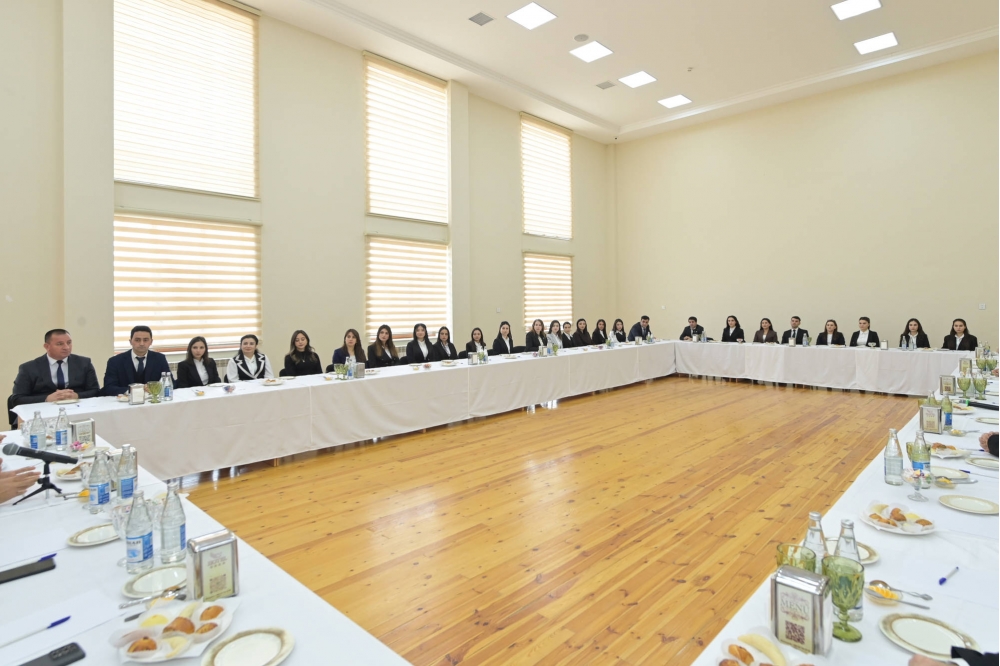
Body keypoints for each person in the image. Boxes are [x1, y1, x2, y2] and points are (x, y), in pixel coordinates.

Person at [11, 329, 101, 413]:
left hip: (77, 410)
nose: (66, 347)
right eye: (60, 344)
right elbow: (17, 399)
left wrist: (76, 396)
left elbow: (95, 391)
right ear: (47, 346)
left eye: (69, 343)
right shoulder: (29, 368)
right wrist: (47, 398)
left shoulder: (84, 363)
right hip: (42, 412)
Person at [102, 326, 172, 396]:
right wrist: (132, 390)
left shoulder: (160, 359)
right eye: (137, 340)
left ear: (151, 342)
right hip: (125, 400)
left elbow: (170, 382)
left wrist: (154, 388)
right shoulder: (115, 361)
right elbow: (108, 388)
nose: (141, 343)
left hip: (151, 399)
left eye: (145, 340)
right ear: (130, 342)